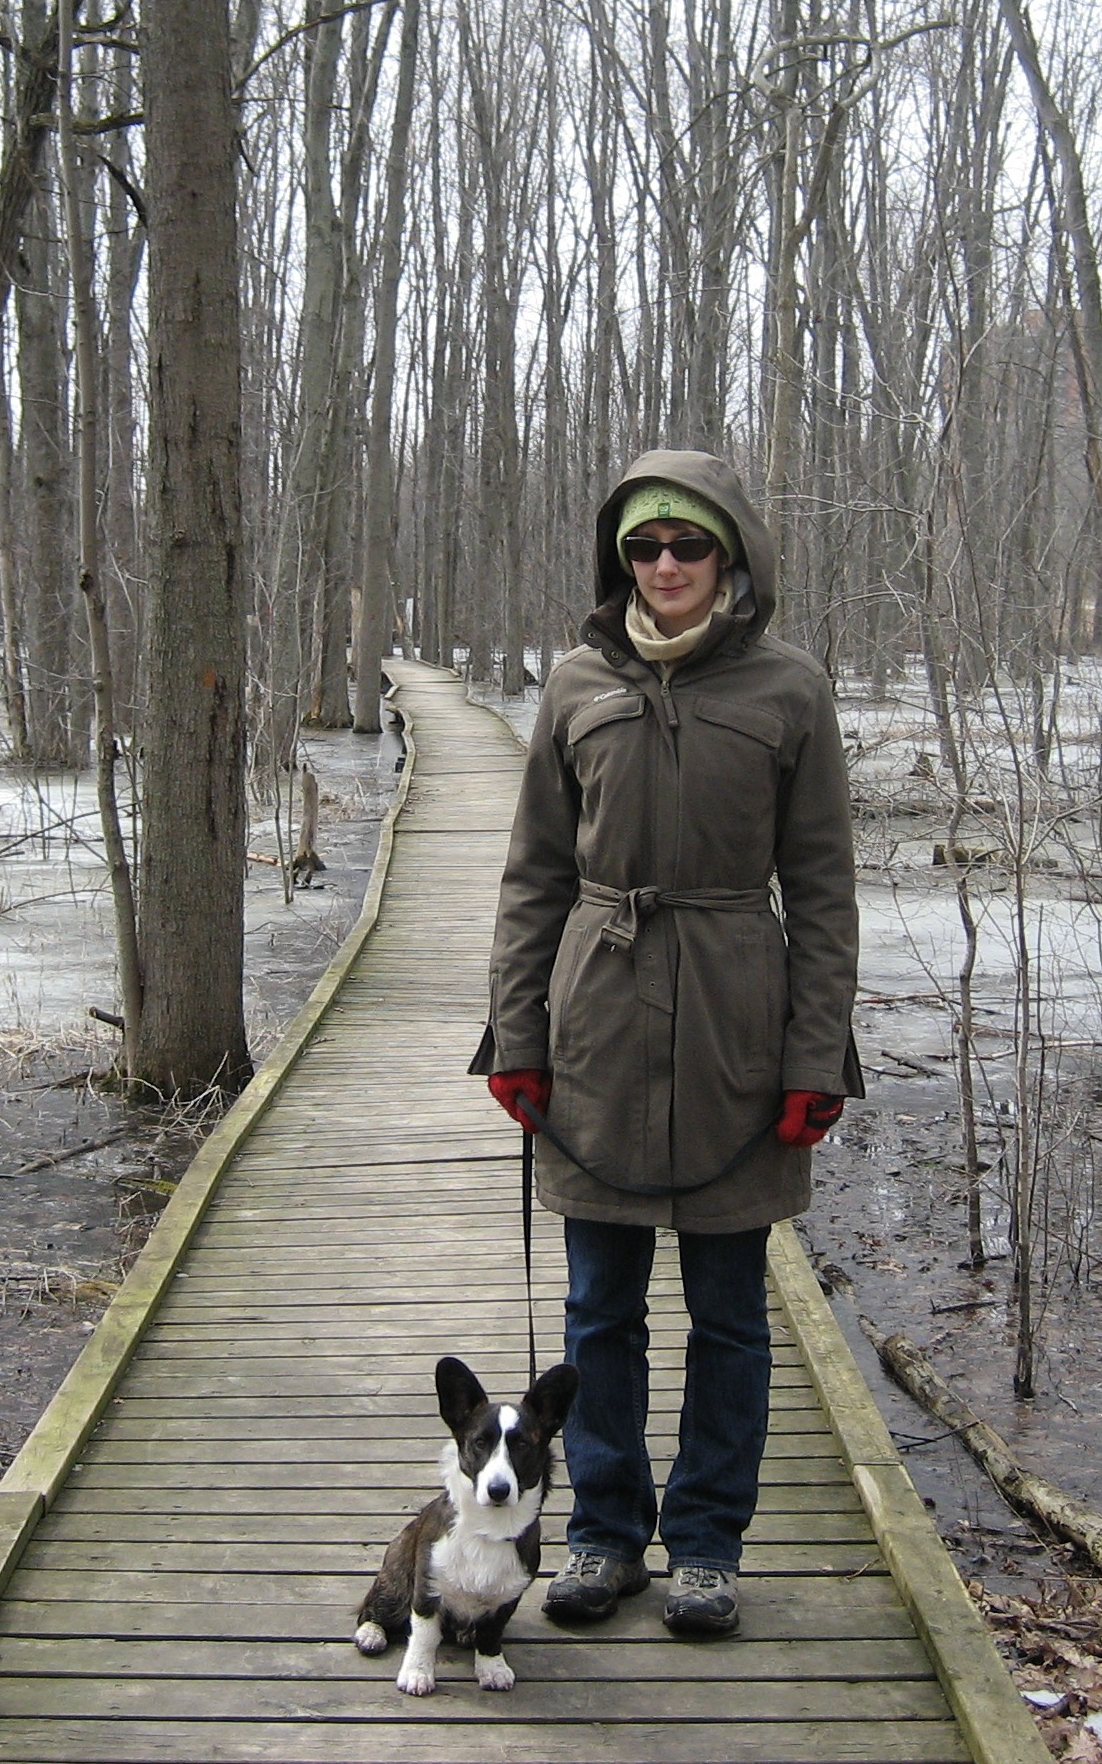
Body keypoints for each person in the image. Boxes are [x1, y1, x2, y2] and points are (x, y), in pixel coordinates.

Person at [473, 448, 862, 1640]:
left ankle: (704, 1546)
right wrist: (515, 1034)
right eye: (643, 547)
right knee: (599, 1312)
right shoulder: (575, 685)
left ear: (729, 555)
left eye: (687, 545)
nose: (665, 566)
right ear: (618, 559)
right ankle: (600, 1535)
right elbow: (533, 873)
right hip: (595, 1024)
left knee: (731, 1313)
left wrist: (814, 1056)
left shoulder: (787, 691)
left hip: (738, 1028)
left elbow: (823, 888)